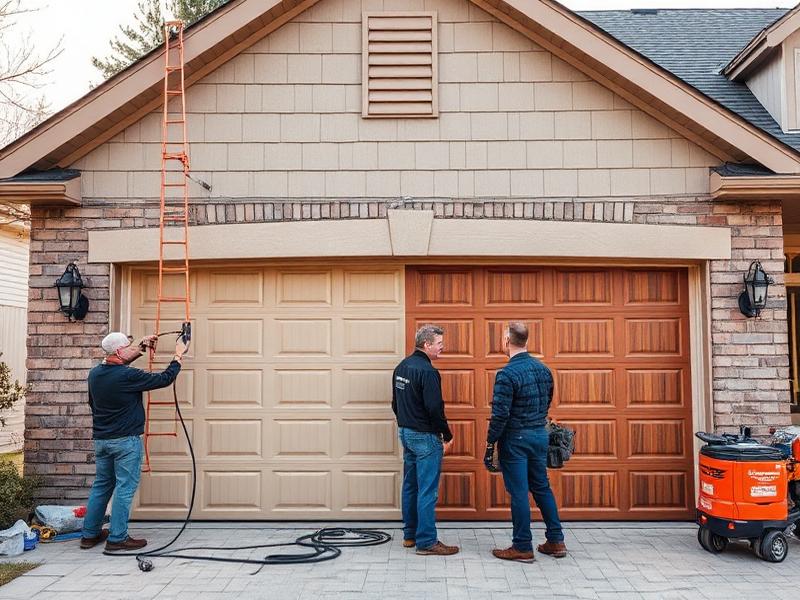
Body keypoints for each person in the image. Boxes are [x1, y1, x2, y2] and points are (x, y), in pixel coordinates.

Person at [79, 331, 189, 551]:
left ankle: (89, 535)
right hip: (125, 442)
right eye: (129, 345)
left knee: (102, 485)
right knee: (124, 488)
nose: (134, 346)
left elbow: (95, 401)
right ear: (119, 351)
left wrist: (141, 347)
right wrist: (178, 355)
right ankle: (117, 538)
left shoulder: (95, 374)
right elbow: (164, 379)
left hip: (102, 441)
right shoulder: (127, 376)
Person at [484, 322, 566, 561]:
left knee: (519, 492)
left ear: (507, 341)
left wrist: (491, 444)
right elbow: (547, 401)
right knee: (541, 486)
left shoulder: (507, 374)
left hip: (516, 439)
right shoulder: (543, 369)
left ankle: (522, 546)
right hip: (539, 435)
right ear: (525, 341)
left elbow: (500, 414)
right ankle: (556, 541)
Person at [392, 324, 459, 556]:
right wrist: (446, 436)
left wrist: (406, 424)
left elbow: (395, 404)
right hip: (425, 437)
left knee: (411, 485)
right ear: (427, 344)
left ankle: (410, 536)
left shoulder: (402, 366)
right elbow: (434, 409)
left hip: (406, 433)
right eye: (439, 344)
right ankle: (427, 541)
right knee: (427, 490)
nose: (443, 347)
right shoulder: (428, 372)